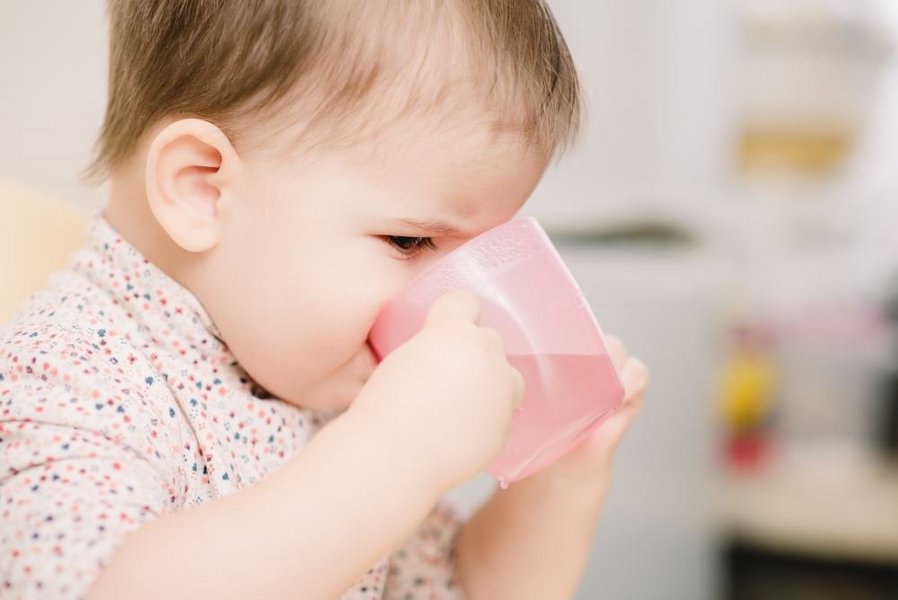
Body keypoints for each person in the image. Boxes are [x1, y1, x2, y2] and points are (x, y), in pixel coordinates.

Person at [0, 1, 649, 598]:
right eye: (410, 240)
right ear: (203, 191)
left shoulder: (314, 382)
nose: (465, 307)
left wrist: (561, 474)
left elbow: (462, 589)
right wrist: (396, 451)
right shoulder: (68, 375)